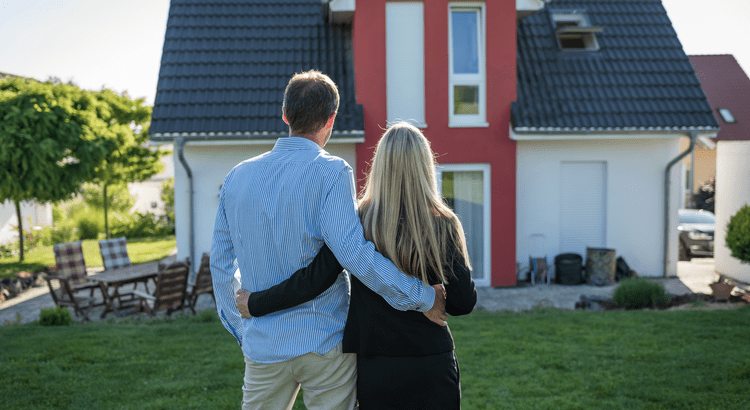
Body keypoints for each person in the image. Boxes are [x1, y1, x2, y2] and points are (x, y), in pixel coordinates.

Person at [210, 70, 446, 410]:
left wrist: (241, 330)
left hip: (263, 346)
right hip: (325, 343)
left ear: (285, 114)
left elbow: (220, 263)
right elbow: (353, 253)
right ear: (331, 119)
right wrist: (422, 297)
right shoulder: (332, 172)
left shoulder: (237, 176)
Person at [237, 121, 478, 409]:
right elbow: (463, 303)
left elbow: (316, 278)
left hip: (376, 365)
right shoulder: (444, 224)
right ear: (425, 166)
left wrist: (257, 303)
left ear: (380, 165)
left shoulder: (357, 220)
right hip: (432, 361)